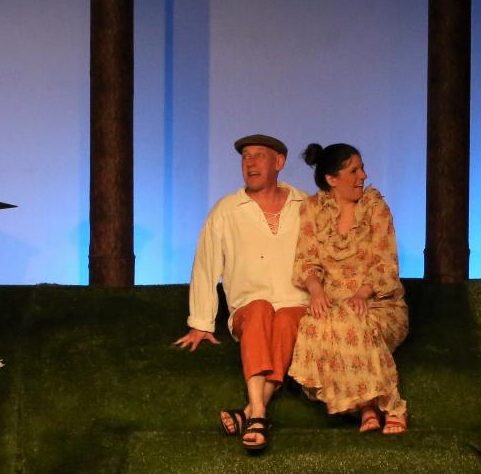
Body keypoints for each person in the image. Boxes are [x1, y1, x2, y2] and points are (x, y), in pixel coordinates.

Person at [174, 135, 309, 452]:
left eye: (259, 156)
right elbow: (206, 264)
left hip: (296, 305)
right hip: (249, 308)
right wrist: (201, 322)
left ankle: (248, 413)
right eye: (245, 157)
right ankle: (259, 414)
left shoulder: (304, 205)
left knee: (287, 319)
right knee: (260, 308)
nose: (250, 163)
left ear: (279, 162)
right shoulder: (227, 209)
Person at [289, 143, 409, 433]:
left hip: (380, 302)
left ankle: (392, 407)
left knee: (352, 318)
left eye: (362, 169)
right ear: (332, 179)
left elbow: (386, 263)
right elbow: (306, 260)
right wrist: (316, 291)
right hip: (335, 304)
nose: (363, 176)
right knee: (316, 324)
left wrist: (362, 293)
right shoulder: (313, 210)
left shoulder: (375, 208)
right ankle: (366, 407)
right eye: (354, 171)